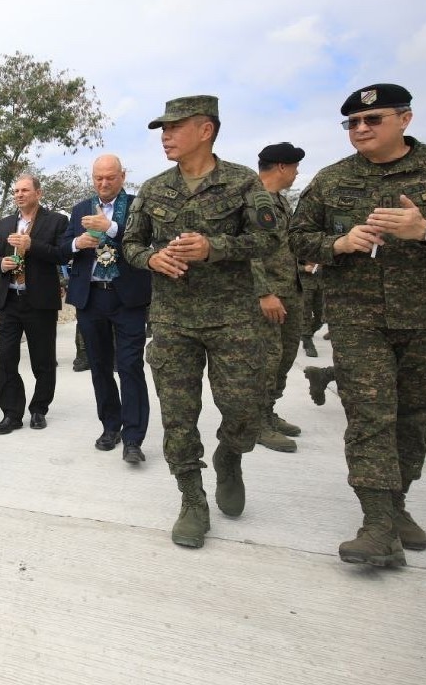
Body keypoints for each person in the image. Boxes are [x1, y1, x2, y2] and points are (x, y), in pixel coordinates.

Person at [289, 83, 426, 568]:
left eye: (373, 120)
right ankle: (377, 524)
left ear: (404, 120)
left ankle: (397, 503)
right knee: (369, 415)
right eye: (352, 123)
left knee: (414, 416)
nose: (361, 129)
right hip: (357, 317)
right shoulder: (330, 181)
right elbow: (298, 239)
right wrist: (339, 244)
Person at [124, 95, 281, 548]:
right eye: (162, 130)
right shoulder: (153, 189)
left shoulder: (242, 182)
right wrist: (153, 258)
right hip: (173, 320)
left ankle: (230, 455)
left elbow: (270, 239)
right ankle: (192, 499)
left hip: (233, 320)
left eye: (174, 128)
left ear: (206, 129)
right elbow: (131, 244)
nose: (165, 137)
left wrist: (215, 248)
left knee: (243, 409)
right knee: (178, 416)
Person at [62, 155, 152, 464]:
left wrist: (111, 227)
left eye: (110, 177)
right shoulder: (79, 209)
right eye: (98, 178)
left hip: (127, 298)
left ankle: (134, 438)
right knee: (99, 366)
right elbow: (61, 247)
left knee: (129, 366)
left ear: (123, 176)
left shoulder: (139, 206)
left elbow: (148, 243)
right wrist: (78, 243)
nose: (103, 183)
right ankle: (110, 427)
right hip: (92, 298)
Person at [0, 174, 70, 434]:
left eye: (24, 190)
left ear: (38, 193)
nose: (19, 195)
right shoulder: (5, 224)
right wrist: (1, 263)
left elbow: (62, 255)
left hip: (40, 302)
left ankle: (38, 409)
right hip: (10, 299)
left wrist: (32, 245)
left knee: (43, 360)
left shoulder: (56, 221)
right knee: (7, 360)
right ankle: (11, 414)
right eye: (16, 191)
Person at [251, 142, 307, 453]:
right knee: (266, 360)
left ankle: (268, 412)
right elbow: (250, 252)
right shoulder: (255, 200)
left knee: (283, 358)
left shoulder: (281, 202)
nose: (297, 174)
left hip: (290, 290)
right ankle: (256, 421)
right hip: (269, 295)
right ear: (282, 167)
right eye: (295, 167)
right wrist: (265, 292)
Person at [299, 261, 324, 357]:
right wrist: (303, 268)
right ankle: (307, 341)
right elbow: (288, 264)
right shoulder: (299, 247)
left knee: (321, 316)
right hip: (305, 285)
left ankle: (306, 332)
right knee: (306, 314)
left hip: (320, 284)